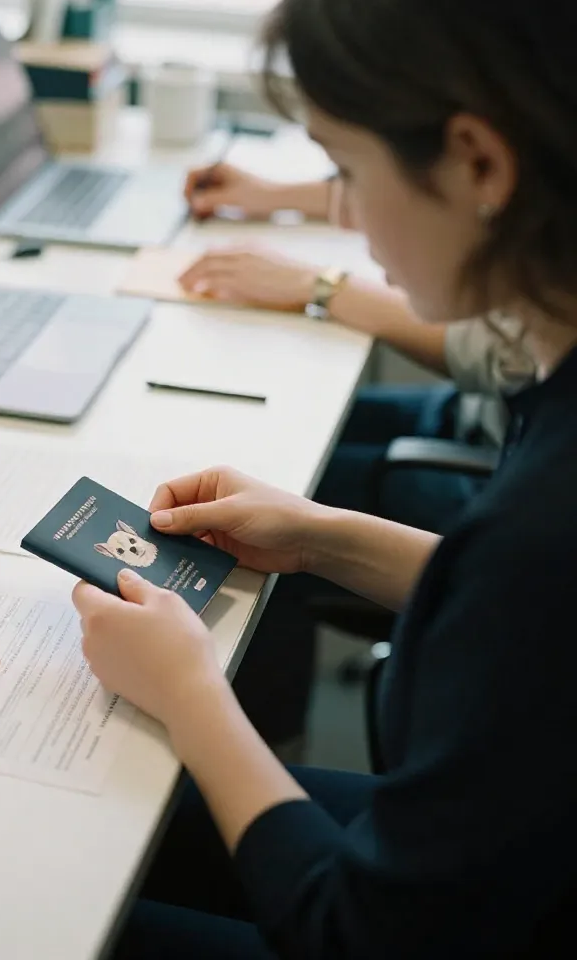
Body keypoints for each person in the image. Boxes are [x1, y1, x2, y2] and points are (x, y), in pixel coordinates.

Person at [73, 0, 577, 955]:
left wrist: (189, 693)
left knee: (45, 887)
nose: (340, 214)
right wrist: (322, 537)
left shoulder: (540, 527)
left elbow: (348, 929)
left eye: (345, 170)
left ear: (480, 161)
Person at [180, 120, 535, 758]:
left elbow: (498, 352)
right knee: (259, 464)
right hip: (482, 424)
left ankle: (276, 748)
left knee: (262, 508)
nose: (371, 246)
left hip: (489, 474)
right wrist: (285, 195)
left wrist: (323, 287)